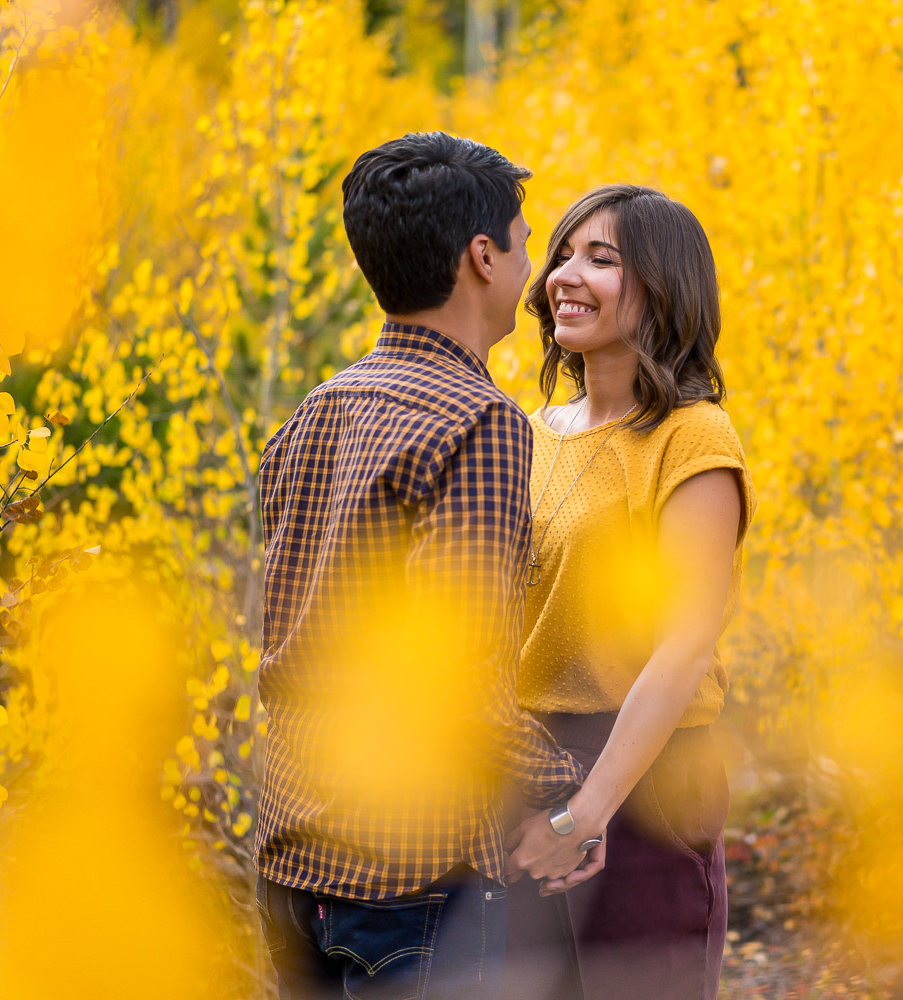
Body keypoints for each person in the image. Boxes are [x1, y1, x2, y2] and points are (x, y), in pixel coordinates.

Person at [254, 133, 600, 1000]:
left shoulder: (317, 411)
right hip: (409, 874)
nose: (534, 267)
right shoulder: (479, 424)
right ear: (481, 257)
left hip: (292, 849)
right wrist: (570, 798)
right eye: (525, 243)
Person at [501, 185, 755, 1000]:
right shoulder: (528, 433)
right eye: (563, 255)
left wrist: (587, 810)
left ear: (663, 288)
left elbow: (684, 645)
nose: (563, 277)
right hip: (525, 768)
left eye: (601, 260)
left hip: (644, 784)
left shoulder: (692, 437)